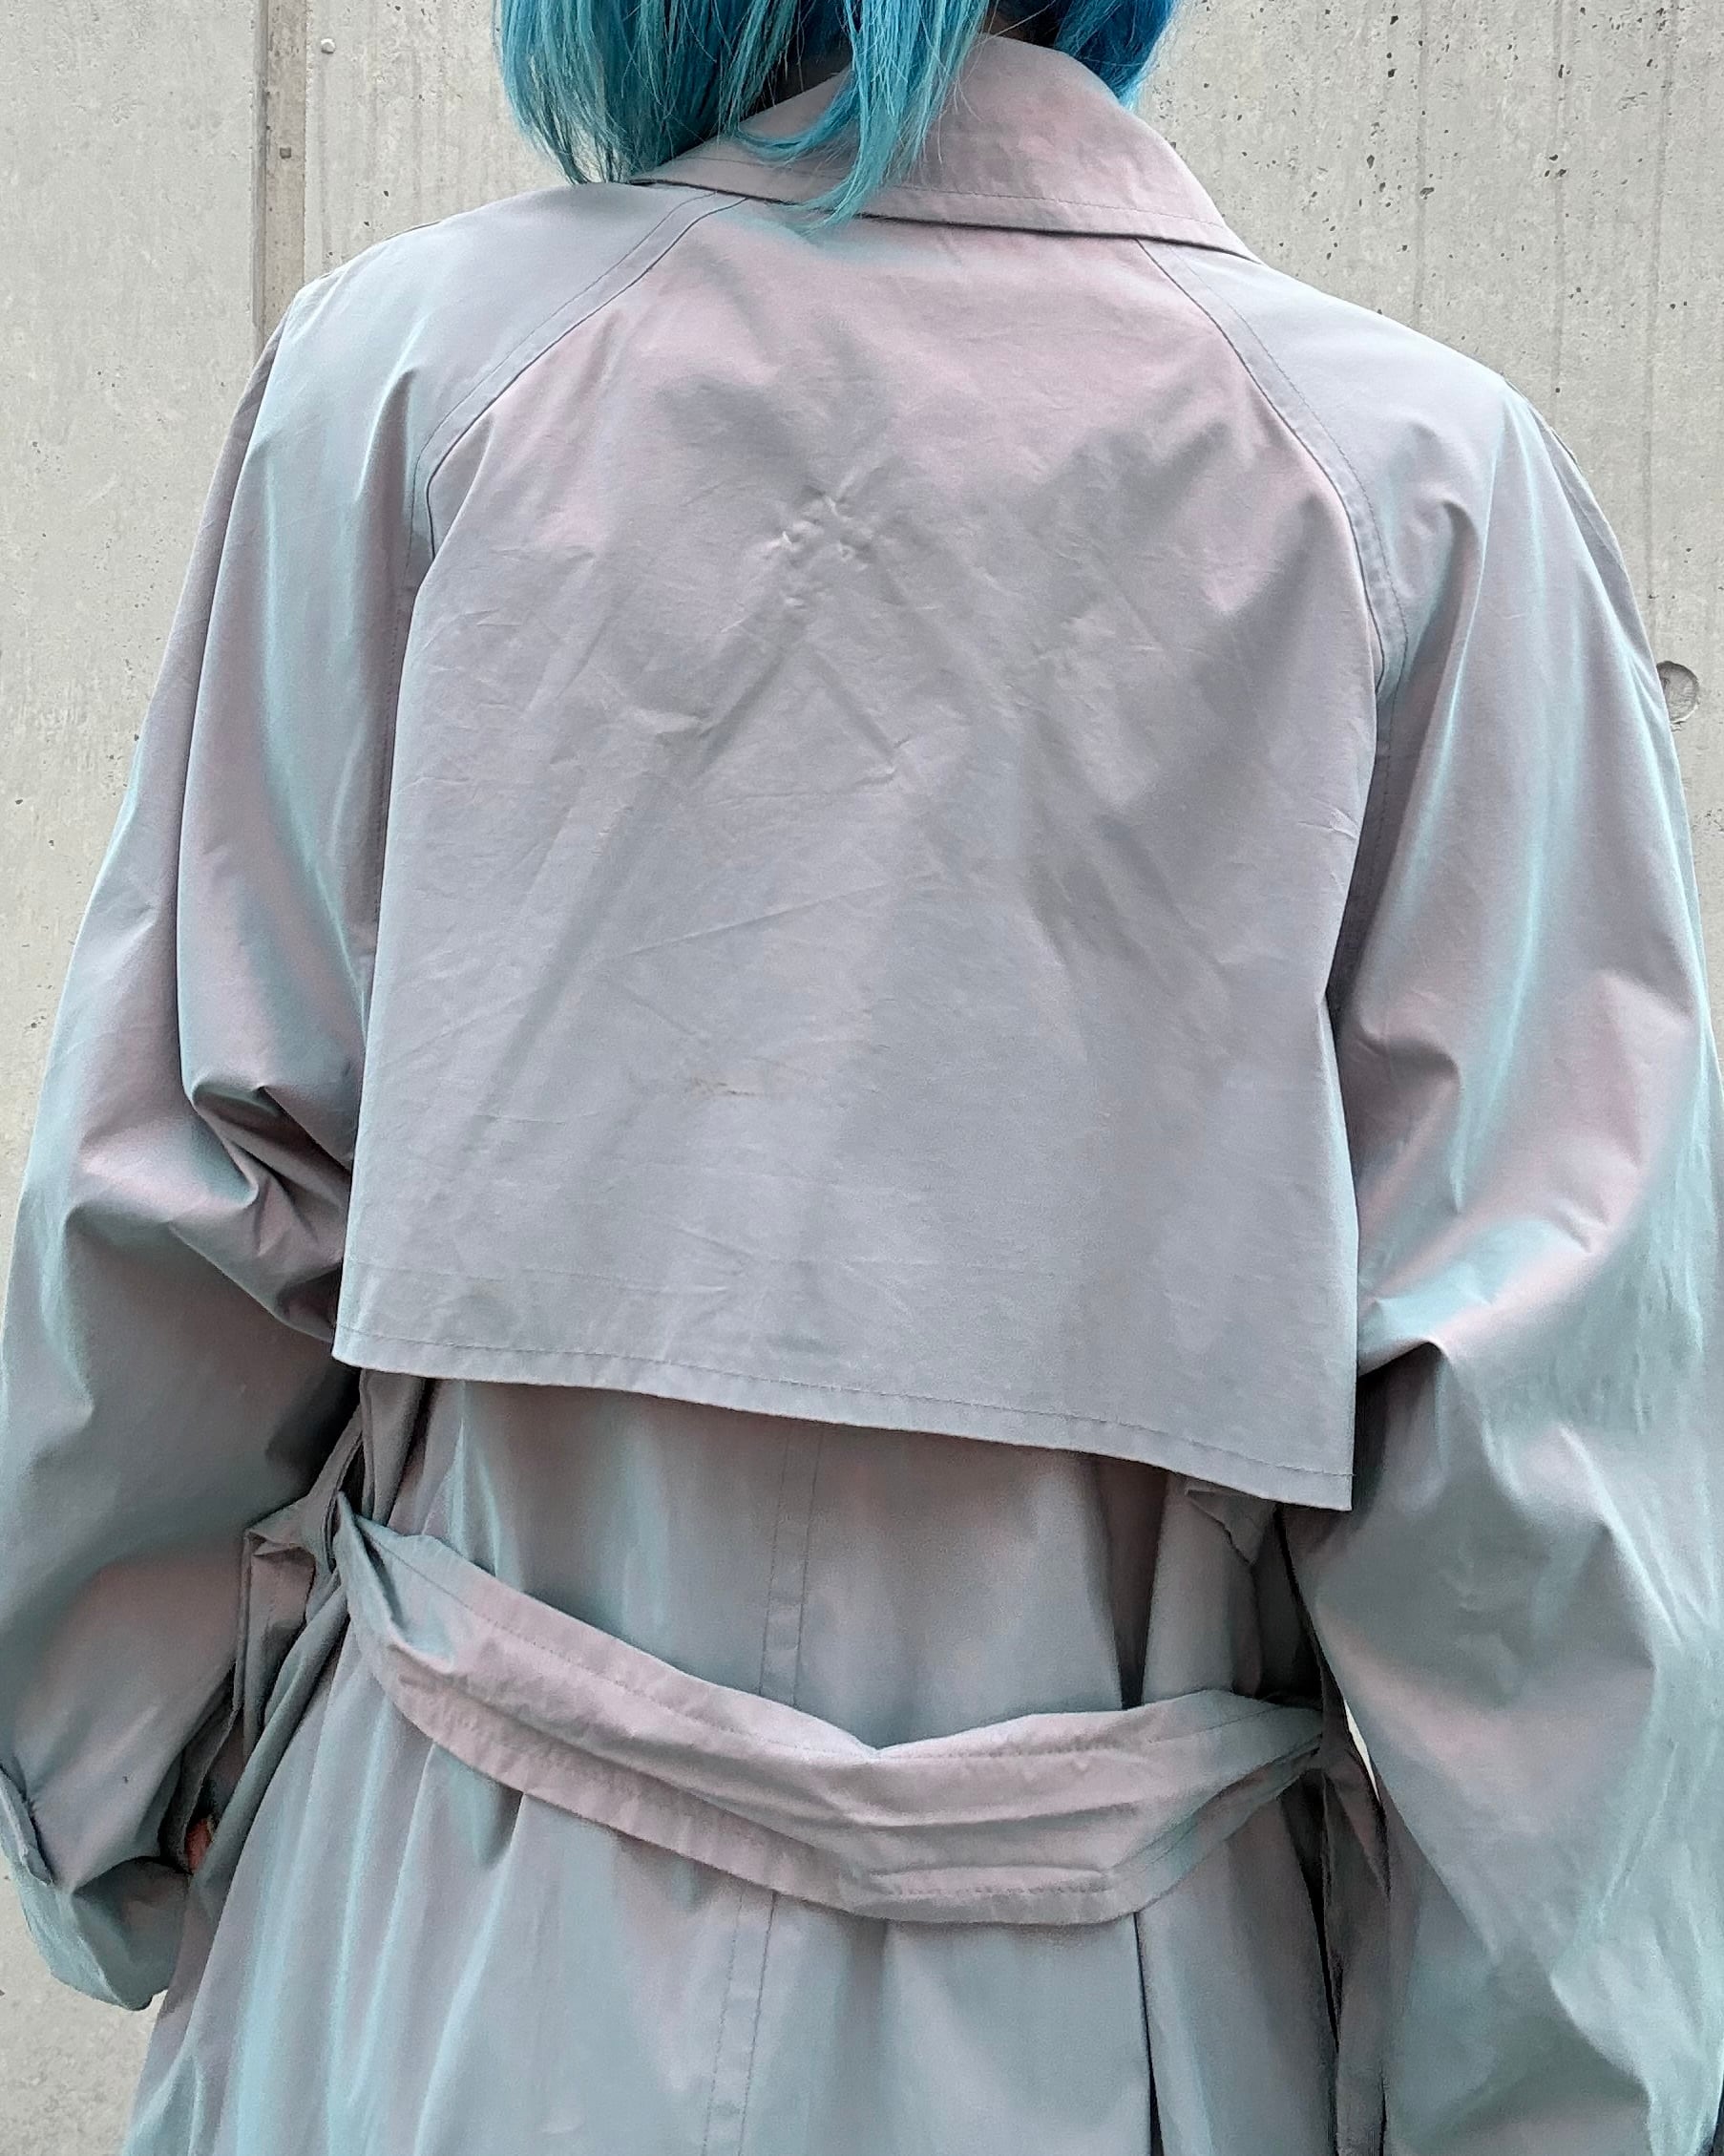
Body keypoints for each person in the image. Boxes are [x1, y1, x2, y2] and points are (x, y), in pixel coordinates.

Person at [2, 2, 1721, 2150]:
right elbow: (1535, 1496)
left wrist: (127, 1813)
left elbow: (174, 1213)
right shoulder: (1422, 491)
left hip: (425, 1948)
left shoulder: (412, 383)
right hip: (1121, 2012)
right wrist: (1545, 2103)